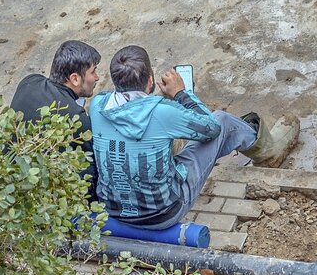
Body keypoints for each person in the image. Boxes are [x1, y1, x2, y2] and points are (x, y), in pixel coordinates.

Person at [90, 45, 298, 229]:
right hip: (161, 214)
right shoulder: (163, 111)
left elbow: (134, 115)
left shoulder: (98, 105)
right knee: (223, 120)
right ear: (151, 80)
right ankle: (269, 150)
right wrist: (181, 94)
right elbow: (211, 128)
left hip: (114, 211)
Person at [10, 40, 101, 199]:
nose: (97, 77)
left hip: (11, 184)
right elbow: (91, 169)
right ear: (75, 79)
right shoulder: (77, 119)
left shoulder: (29, 82)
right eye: (93, 72)